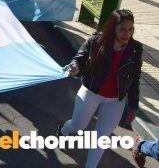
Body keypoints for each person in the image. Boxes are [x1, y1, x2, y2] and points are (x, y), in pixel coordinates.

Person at [59, 9, 142, 168]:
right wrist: (75, 67)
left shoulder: (135, 49)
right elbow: (79, 59)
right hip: (91, 93)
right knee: (78, 126)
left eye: (130, 29)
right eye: (122, 29)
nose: (127, 33)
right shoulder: (96, 41)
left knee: (102, 138)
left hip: (115, 101)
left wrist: (133, 106)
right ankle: (64, 130)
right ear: (113, 28)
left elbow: (134, 78)